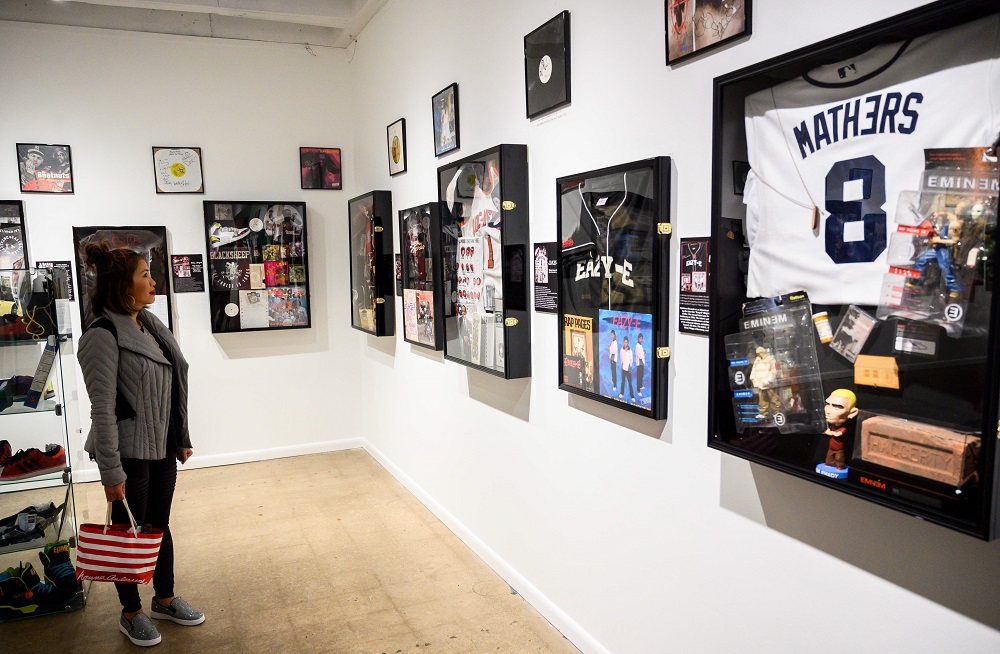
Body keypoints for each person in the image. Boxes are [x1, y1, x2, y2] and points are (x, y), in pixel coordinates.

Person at [77, 242, 203, 647]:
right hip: (128, 453)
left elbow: (173, 381)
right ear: (121, 285)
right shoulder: (103, 333)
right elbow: (104, 410)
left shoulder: (148, 322)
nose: (154, 281)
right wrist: (111, 474)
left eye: (151, 274)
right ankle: (130, 613)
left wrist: (180, 437)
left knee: (158, 527)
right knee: (127, 535)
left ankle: (163, 598)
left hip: (161, 447)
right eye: (145, 274)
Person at [822, 389, 859, 471]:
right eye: (827, 404)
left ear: (852, 413)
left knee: (839, 459)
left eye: (837, 407)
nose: (828, 411)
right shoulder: (833, 426)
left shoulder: (843, 428)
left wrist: (833, 433)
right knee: (829, 458)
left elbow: (838, 434)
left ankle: (839, 467)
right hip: (831, 448)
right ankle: (828, 465)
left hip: (839, 449)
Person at [619, 336, 635, 403]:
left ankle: (632, 396)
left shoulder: (630, 350)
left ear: (628, 342)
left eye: (626, 342)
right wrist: (622, 364)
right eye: (624, 342)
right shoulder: (621, 350)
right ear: (623, 342)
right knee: (623, 381)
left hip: (628, 369)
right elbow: (621, 357)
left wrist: (629, 366)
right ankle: (621, 393)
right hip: (623, 368)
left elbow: (631, 359)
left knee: (630, 383)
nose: (625, 343)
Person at [634, 332, 646, 399]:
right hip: (639, 363)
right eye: (640, 338)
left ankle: (641, 385)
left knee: (641, 375)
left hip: (642, 363)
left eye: (642, 338)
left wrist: (642, 352)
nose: (641, 339)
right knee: (638, 377)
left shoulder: (640, 345)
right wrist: (643, 353)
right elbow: (639, 355)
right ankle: (638, 390)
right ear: (638, 338)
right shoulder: (637, 346)